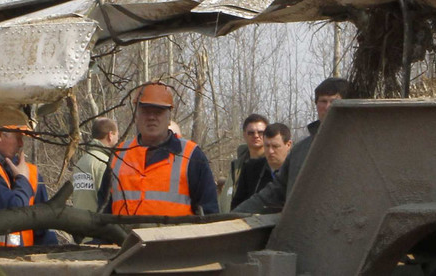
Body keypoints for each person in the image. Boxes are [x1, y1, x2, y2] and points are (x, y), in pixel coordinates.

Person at [98, 82, 219, 216]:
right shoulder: (119, 155)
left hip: (175, 237)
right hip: (123, 237)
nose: (151, 117)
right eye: (146, 111)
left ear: (169, 117)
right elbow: (103, 213)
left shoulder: (191, 156)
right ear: (136, 115)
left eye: (158, 111)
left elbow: (209, 214)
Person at [234, 77, 352, 214]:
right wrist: (231, 219)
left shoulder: (361, 147)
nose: (327, 107)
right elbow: (274, 192)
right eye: (323, 101)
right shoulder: (301, 152)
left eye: (334, 101)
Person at [231, 122, 292, 209]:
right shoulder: (250, 169)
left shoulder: (297, 169)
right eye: (267, 146)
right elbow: (237, 205)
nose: (270, 151)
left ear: (288, 145)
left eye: (275, 146)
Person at [71, 117, 118, 214]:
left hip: (77, 224)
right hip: (97, 225)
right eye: (116, 136)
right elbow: (107, 200)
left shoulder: (81, 162)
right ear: (110, 135)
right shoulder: (105, 163)